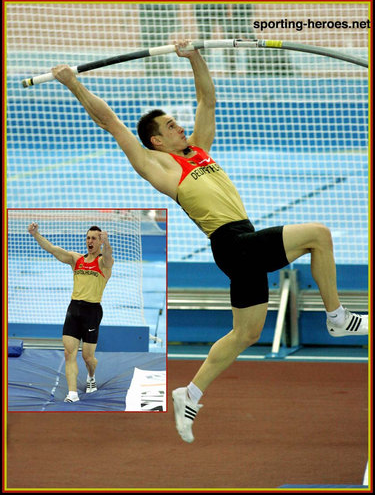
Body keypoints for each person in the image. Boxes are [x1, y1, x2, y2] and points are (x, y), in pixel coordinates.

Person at [51, 40, 368, 437]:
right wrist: (72, 84)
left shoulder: (199, 151)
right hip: (231, 242)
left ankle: (190, 394)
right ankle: (337, 318)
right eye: (169, 127)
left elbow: (208, 99)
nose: (178, 127)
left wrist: (194, 56)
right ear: (156, 142)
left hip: (242, 244)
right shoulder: (158, 168)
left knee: (247, 332)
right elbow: (111, 122)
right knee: (319, 235)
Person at [28, 223, 114, 403]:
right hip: (74, 309)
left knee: (88, 357)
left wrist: (107, 244)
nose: (90, 241)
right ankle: (72, 393)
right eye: (88, 237)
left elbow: (108, 257)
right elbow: (52, 249)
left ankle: (91, 376)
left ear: (99, 242)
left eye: (94, 238)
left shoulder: (103, 263)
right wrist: (36, 234)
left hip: (92, 312)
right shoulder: (77, 260)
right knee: (69, 353)